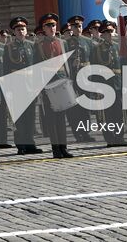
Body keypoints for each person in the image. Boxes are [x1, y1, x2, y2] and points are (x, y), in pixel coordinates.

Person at [35, 14, 73, 159]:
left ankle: (64, 148)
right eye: (49, 26)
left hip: (61, 81)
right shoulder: (38, 45)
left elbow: (66, 63)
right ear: (43, 28)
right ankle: (56, 149)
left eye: (53, 25)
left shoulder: (62, 42)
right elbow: (36, 67)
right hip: (48, 84)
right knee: (51, 118)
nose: (52, 28)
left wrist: (69, 80)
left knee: (62, 118)